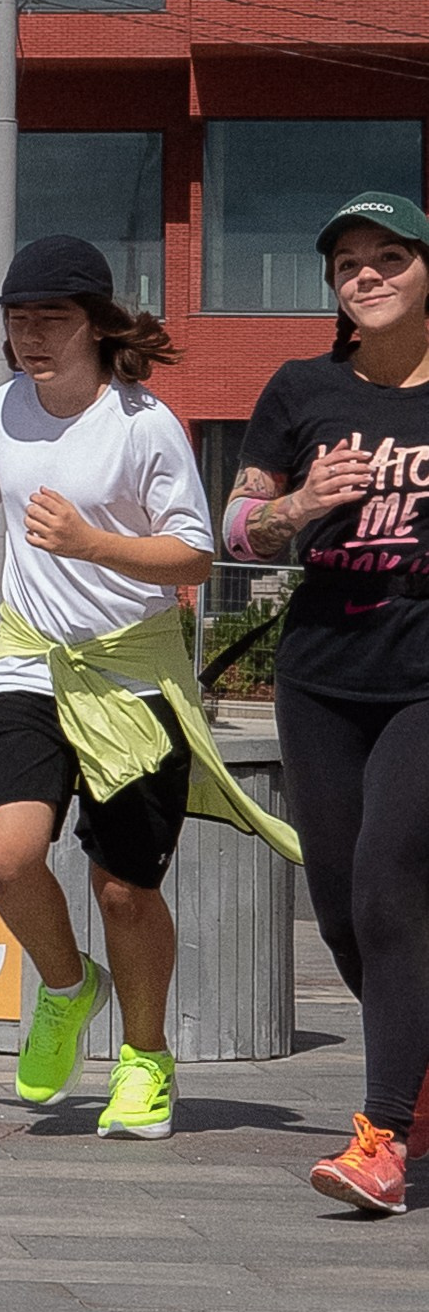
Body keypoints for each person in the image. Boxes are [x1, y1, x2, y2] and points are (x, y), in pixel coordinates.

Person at [0, 235, 292, 1141]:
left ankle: (143, 1057)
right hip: (27, 660)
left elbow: (195, 556)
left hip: (130, 674)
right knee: (5, 854)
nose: (32, 337)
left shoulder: (143, 425)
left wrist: (94, 544)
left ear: (96, 325)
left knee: (122, 888)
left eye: (52, 319)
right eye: (18, 321)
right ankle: (64, 987)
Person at [228, 189, 429, 1216]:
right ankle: (418, 1076)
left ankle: (383, 1136)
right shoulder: (302, 387)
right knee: (347, 906)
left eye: (388, 255)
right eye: (348, 262)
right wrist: (303, 504)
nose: (367, 274)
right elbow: (238, 524)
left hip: (424, 672)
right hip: (321, 671)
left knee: (394, 881)